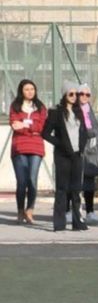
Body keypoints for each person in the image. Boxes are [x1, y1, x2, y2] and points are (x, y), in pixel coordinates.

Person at [42, 80, 89, 231]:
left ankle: (77, 222)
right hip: (63, 155)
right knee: (62, 189)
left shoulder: (79, 112)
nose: (74, 97)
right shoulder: (56, 112)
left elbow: (84, 131)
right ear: (64, 95)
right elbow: (45, 133)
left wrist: (82, 146)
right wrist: (60, 143)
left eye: (76, 94)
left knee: (76, 189)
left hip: (77, 154)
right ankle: (59, 223)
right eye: (71, 94)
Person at [8, 78, 47, 225]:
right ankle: (20, 210)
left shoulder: (41, 107)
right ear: (21, 91)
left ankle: (30, 210)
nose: (30, 92)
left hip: (36, 147)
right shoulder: (15, 106)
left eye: (32, 89)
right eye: (26, 89)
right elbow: (14, 124)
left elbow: (41, 127)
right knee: (22, 181)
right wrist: (31, 127)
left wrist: (24, 124)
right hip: (19, 147)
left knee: (32, 179)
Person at [77, 82, 98, 223]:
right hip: (77, 148)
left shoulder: (90, 110)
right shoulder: (75, 109)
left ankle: (90, 211)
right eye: (82, 94)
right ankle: (73, 210)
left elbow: (96, 128)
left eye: (87, 94)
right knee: (75, 180)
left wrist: (94, 136)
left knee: (89, 180)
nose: (84, 97)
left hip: (90, 150)